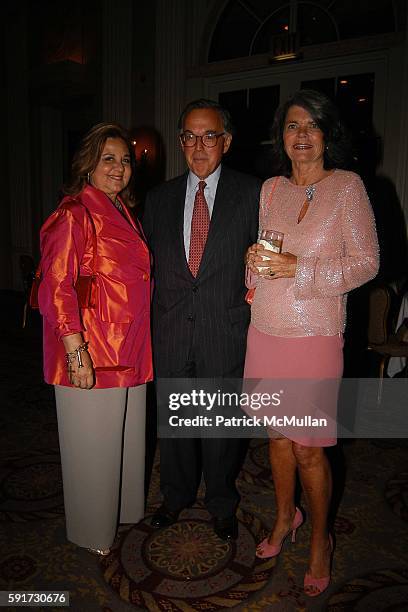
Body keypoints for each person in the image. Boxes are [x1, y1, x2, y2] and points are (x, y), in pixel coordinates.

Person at [245, 90, 379, 595]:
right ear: (282, 137)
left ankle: (321, 539)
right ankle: (285, 518)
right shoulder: (271, 189)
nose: (301, 135)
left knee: (307, 448)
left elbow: (367, 263)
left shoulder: (348, 188)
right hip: (265, 330)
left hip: (316, 333)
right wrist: (253, 268)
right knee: (276, 438)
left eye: (311, 125)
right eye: (292, 125)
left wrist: (302, 270)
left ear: (327, 135)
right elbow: (266, 250)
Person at [143, 99, 261, 540]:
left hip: (224, 330)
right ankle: (174, 498)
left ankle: (221, 503)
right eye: (190, 136)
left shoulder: (252, 193)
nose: (199, 145)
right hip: (171, 331)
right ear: (180, 142)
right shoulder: (158, 198)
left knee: (220, 429)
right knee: (174, 425)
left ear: (226, 142)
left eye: (209, 135)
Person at [37, 123, 152, 555]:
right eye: (109, 158)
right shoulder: (73, 213)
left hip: (129, 346)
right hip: (92, 350)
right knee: (91, 445)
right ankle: (90, 531)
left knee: (120, 441)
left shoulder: (121, 209)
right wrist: (75, 351)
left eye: (125, 159)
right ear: (88, 164)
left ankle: (118, 512)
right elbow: (55, 286)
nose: (119, 167)